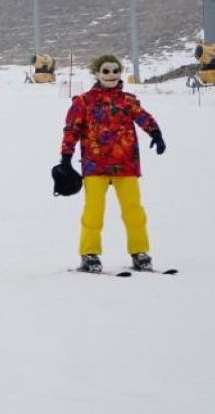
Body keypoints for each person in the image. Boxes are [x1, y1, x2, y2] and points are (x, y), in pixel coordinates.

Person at [60, 54, 165, 273]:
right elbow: (72, 130)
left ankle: (140, 251)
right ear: (96, 74)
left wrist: (155, 133)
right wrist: (66, 158)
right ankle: (89, 253)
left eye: (115, 71)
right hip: (94, 165)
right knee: (93, 211)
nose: (111, 75)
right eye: (106, 71)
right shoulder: (83, 102)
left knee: (133, 210)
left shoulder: (127, 100)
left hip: (125, 163)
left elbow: (143, 116)